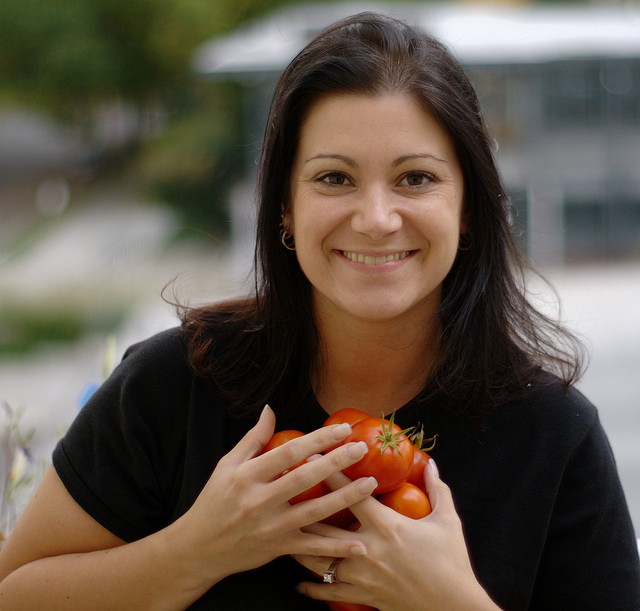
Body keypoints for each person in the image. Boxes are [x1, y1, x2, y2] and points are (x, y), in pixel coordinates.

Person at [0, 12, 638, 610]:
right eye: (335, 178)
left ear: (468, 209)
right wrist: (192, 552)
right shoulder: (173, 387)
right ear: (283, 206)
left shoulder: (554, 436)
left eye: (415, 178)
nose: (376, 219)